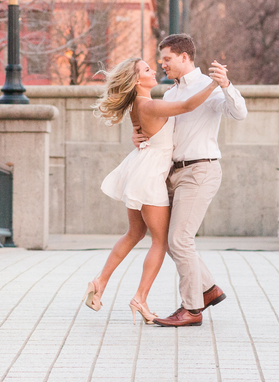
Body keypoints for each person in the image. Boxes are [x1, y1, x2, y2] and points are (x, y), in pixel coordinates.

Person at [85, 56, 222, 324]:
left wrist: (136, 136)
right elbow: (188, 105)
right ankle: (140, 298)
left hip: (141, 171)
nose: (154, 70)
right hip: (149, 177)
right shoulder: (149, 104)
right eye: (147, 69)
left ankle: (99, 282)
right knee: (161, 240)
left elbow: (143, 132)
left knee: (135, 232)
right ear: (138, 80)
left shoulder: (138, 106)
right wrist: (214, 84)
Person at [142, 34, 247, 327]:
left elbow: (240, 113)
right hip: (174, 172)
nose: (162, 65)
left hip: (201, 170)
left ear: (185, 57)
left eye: (167, 59)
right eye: (161, 60)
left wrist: (225, 84)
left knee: (180, 239)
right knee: (173, 240)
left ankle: (192, 309)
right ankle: (208, 288)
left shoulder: (208, 88)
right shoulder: (171, 94)